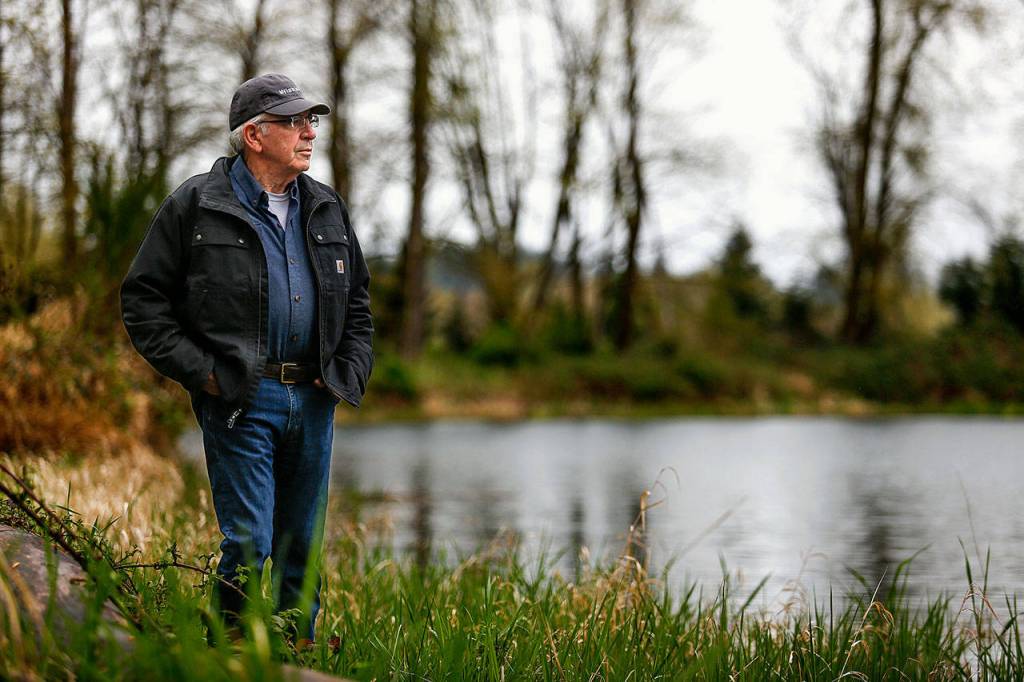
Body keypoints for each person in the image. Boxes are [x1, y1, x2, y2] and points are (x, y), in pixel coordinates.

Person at [120, 73, 373, 643]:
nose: (310, 133)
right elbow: (143, 301)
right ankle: (232, 651)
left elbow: (356, 301)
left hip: (313, 397)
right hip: (240, 395)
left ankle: (293, 653)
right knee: (249, 540)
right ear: (254, 136)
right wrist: (205, 374)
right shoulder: (197, 204)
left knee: (301, 542)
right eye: (295, 122)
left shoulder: (326, 207)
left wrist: (348, 371)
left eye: (312, 121)